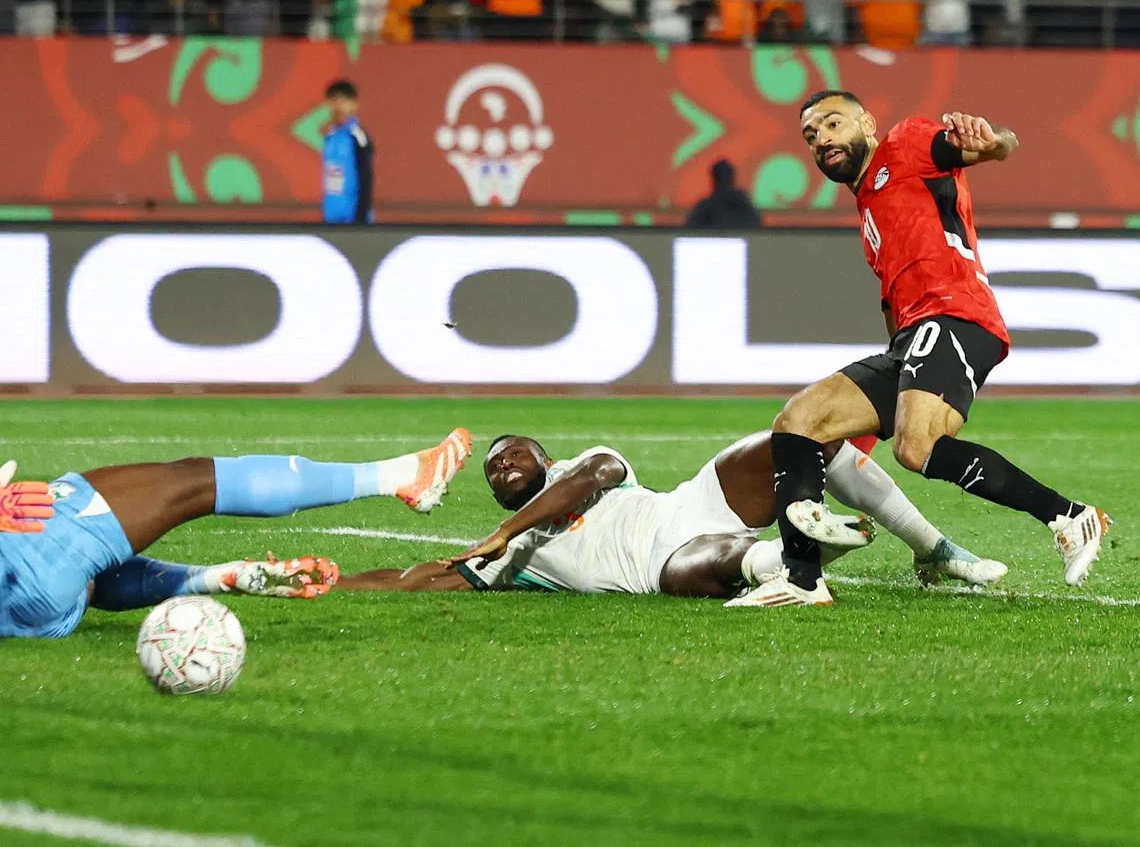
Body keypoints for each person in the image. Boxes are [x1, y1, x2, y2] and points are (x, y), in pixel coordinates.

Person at [746, 93, 1110, 608]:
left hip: (955, 317)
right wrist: (871, 415)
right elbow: (893, 311)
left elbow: (990, 147)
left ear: (866, 123)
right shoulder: (869, 211)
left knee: (917, 447)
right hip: (911, 339)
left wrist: (991, 142)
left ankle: (1069, 516)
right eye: (811, 135)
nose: (822, 138)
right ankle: (802, 580)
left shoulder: (905, 143)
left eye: (832, 123)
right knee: (800, 419)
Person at [337, 431, 1005, 598]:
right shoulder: (507, 559)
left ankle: (931, 546)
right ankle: (807, 551)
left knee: (800, 439)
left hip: (685, 506)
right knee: (692, 570)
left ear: (547, 459)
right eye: (493, 471)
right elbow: (420, 576)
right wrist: (333, 582)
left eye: (515, 456)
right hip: (655, 563)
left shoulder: (589, 466)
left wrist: (508, 528)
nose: (502, 467)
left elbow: (582, 484)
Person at [0, 431, 470, 637]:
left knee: (92, 572)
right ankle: (400, 476)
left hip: (33, 618)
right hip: (24, 552)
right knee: (193, 482)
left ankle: (217, 577)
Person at [322, 78, 374, 224]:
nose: (339, 106)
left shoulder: (358, 137)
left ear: (354, 105)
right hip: (331, 219)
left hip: (354, 220)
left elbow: (366, 179)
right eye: (334, 100)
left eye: (344, 101)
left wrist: (360, 219)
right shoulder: (330, 138)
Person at [685, 158, 761, 229]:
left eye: (726, 177)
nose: (724, 181)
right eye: (721, 177)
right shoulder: (704, 208)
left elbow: (756, 228)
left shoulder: (743, 205)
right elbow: (691, 230)